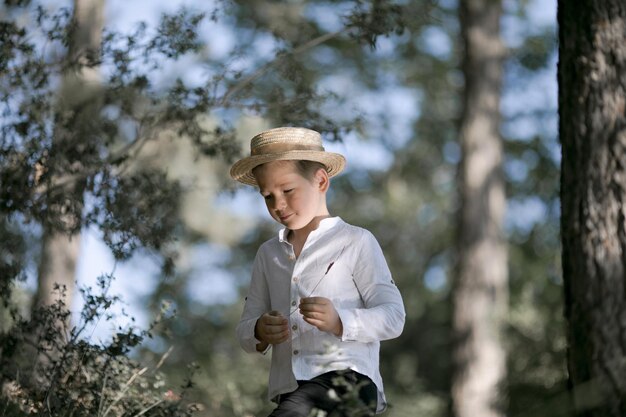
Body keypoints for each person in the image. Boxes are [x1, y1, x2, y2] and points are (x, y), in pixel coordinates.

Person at [231, 127, 405, 416]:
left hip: (348, 381)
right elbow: (245, 330)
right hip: (290, 389)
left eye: (287, 190)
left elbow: (394, 316)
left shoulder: (356, 240)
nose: (278, 205)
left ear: (321, 181)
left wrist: (341, 321)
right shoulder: (268, 254)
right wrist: (259, 330)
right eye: (267, 196)